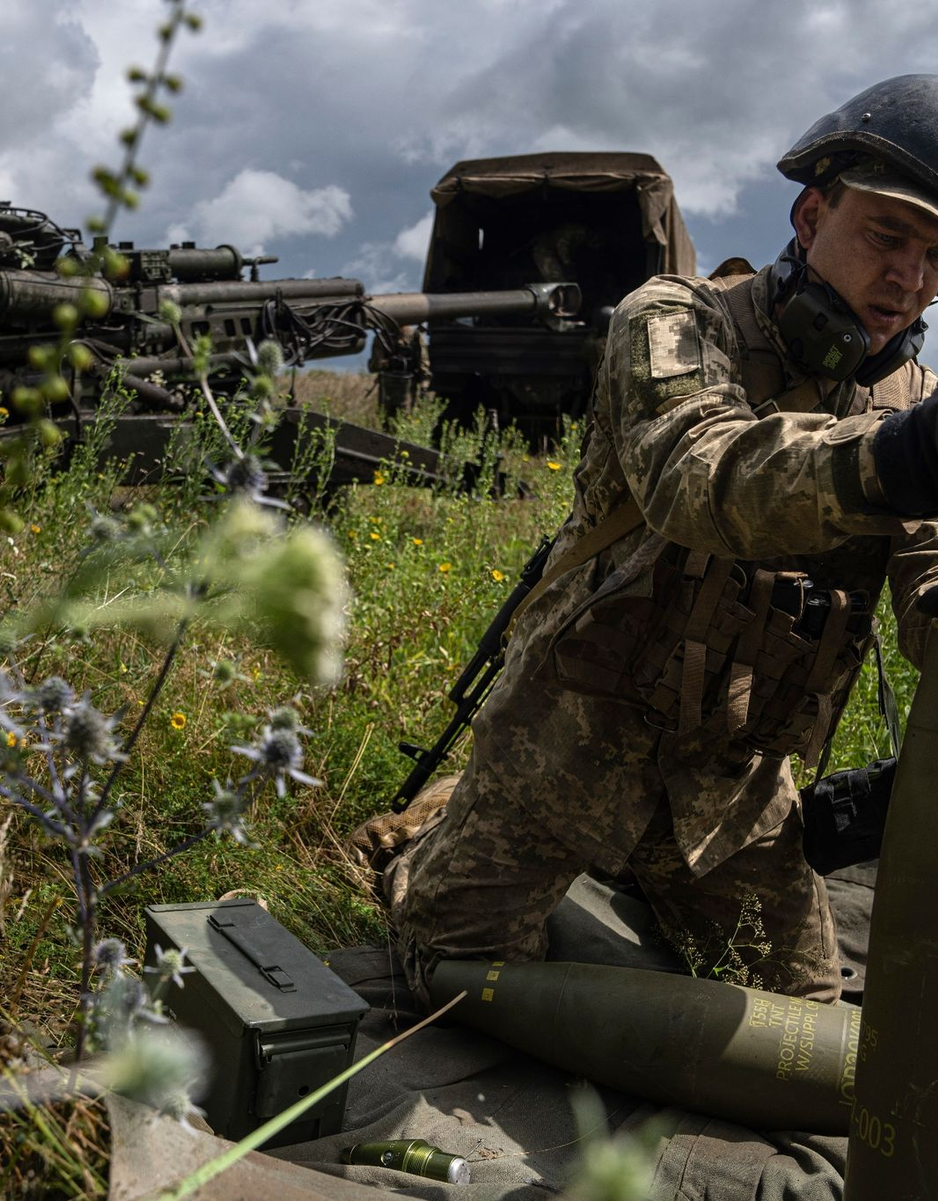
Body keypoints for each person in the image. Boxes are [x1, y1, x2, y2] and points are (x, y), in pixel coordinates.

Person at [384, 74, 938, 1007]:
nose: (911, 279)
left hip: (730, 796)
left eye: (937, 255)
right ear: (809, 217)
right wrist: (894, 458)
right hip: (564, 744)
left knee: (801, 1025)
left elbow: (929, 601)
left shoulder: (912, 406)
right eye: (888, 236)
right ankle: (432, 837)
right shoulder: (677, 318)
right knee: (441, 975)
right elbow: (699, 475)